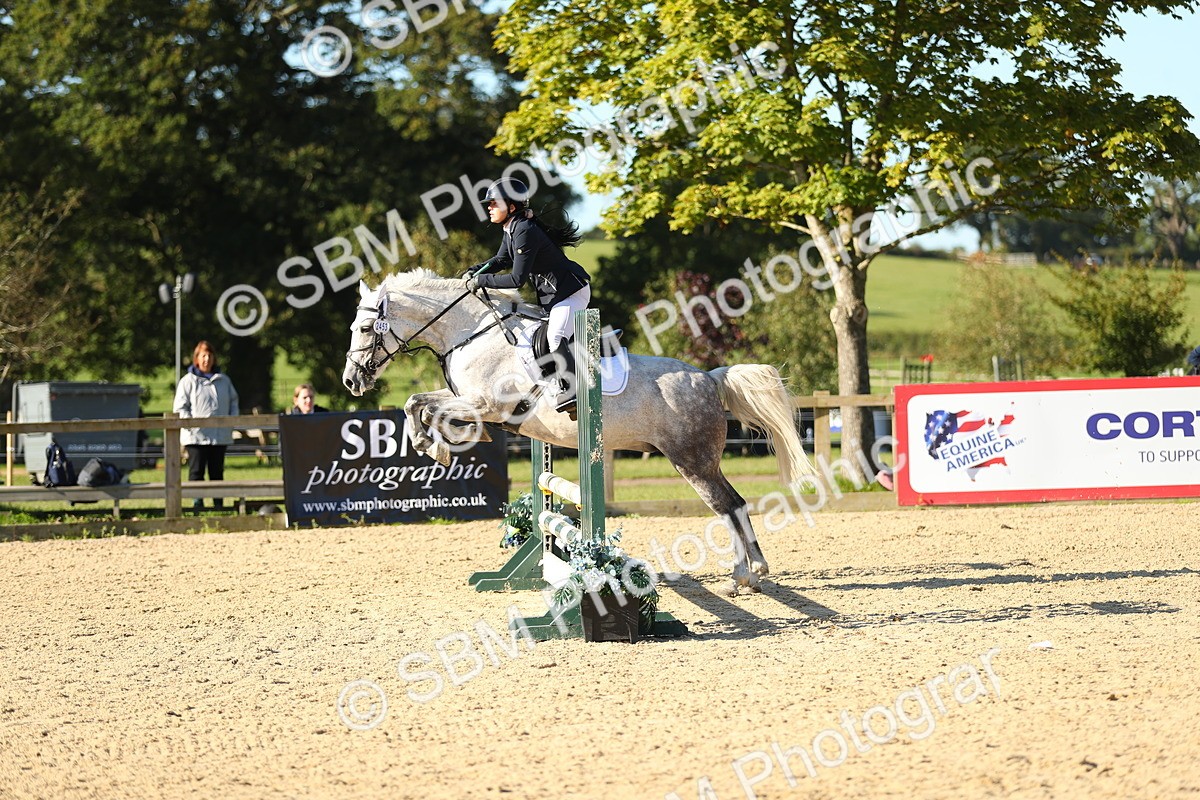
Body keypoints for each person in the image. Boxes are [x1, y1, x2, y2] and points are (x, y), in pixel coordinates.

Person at [463, 177, 590, 414]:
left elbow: (516, 280)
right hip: (553, 297)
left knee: (555, 336)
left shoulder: (524, 230)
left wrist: (481, 281)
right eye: (488, 204)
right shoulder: (512, 227)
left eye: (493, 203)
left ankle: (575, 392)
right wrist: (477, 269)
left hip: (571, 293)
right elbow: (501, 260)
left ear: (511, 207)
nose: (489, 207)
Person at [173, 340, 239, 511]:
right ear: (197, 358)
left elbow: (233, 402)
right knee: (197, 472)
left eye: (210, 356)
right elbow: (181, 407)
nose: (206, 359)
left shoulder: (224, 381)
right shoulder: (188, 381)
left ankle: (219, 504)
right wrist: (191, 425)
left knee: (217, 472)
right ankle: (198, 504)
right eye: (203, 356)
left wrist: (232, 421)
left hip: (219, 436)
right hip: (197, 437)